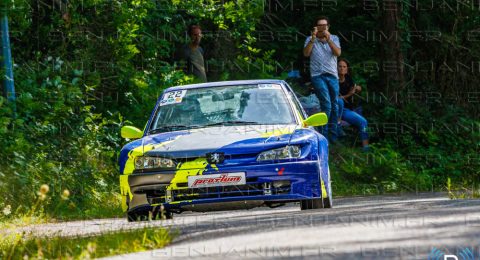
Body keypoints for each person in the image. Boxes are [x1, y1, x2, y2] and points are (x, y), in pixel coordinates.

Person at [303, 16, 341, 142]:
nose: (322, 28)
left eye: (324, 26)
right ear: (315, 28)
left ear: (328, 27)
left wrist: (329, 39)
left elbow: (338, 53)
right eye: (319, 26)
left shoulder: (334, 38)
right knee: (327, 104)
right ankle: (323, 136)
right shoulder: (310, 39)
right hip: (317, 76)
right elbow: (306, 54)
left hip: (332, 75)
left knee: (335, 105)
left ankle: (333, 136)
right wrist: (313, 39)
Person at [337, 58, 370, 151]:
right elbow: (337, 99)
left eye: (344, 67)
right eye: (340, 66)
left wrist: (357, 88)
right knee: (340, 102)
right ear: (336, 68)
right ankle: (338, 127)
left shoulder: (348, 78)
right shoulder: (333, 80)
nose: (342, 68)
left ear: (347, 69)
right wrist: (349, 94)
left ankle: (366, 148)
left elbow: (353, 88)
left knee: (363, 122)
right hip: (338, 109)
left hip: (348, 109)